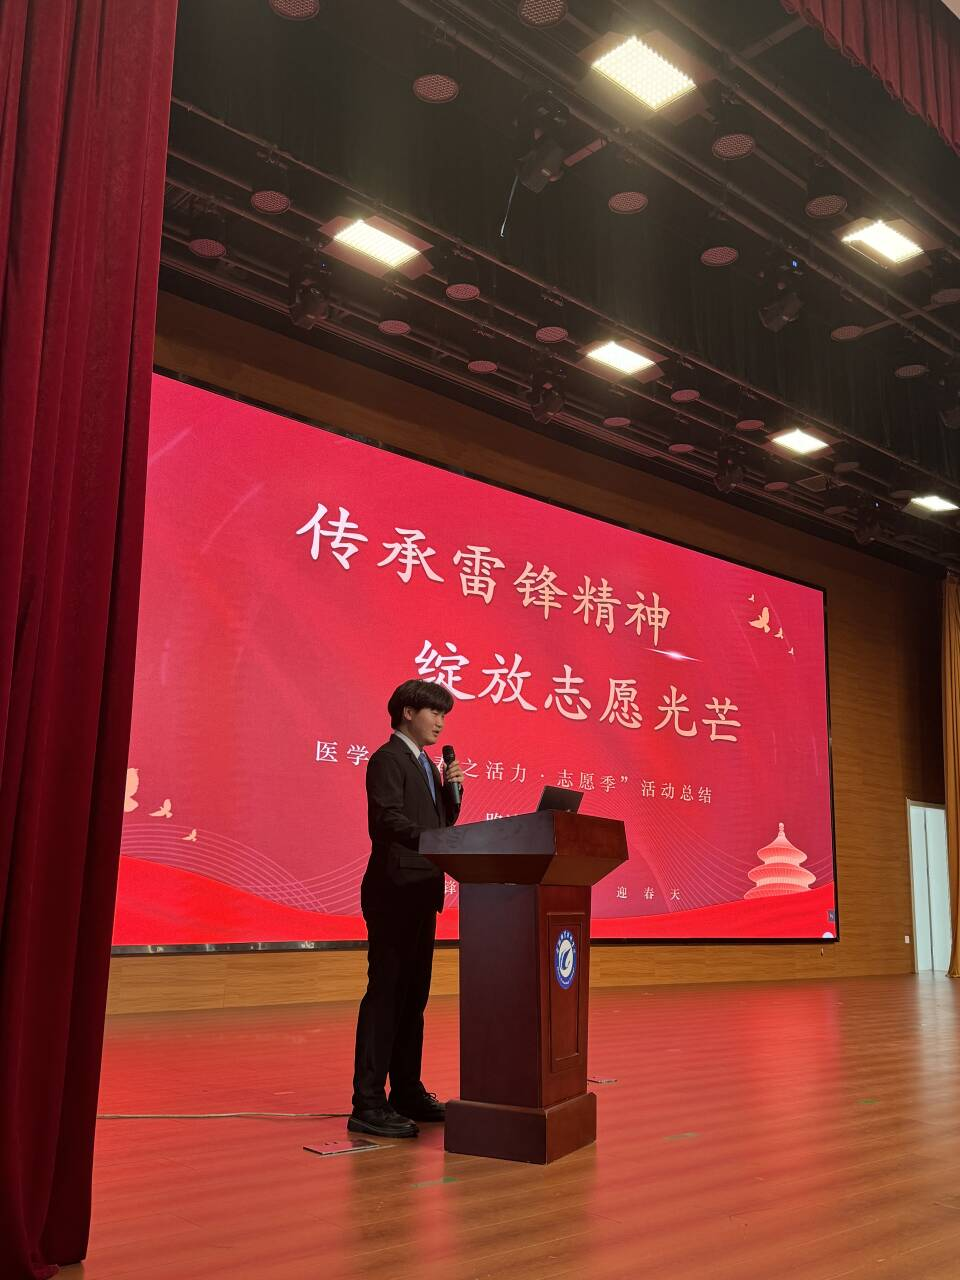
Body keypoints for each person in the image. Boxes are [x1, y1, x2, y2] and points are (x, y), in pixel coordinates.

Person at [349, 679, 465, 1138]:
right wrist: (434, 837)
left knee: (413, 998)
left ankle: (406, 1091)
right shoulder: (387, 759)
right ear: (407, 713)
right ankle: (368, 1102)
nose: (440, 722)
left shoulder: (428, 767)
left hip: (422, 891)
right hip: (394, 891)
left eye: (444, 715)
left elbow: (439, 826)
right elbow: (386, 821)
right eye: (434, 712)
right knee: (387, 995)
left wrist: (452, 796)